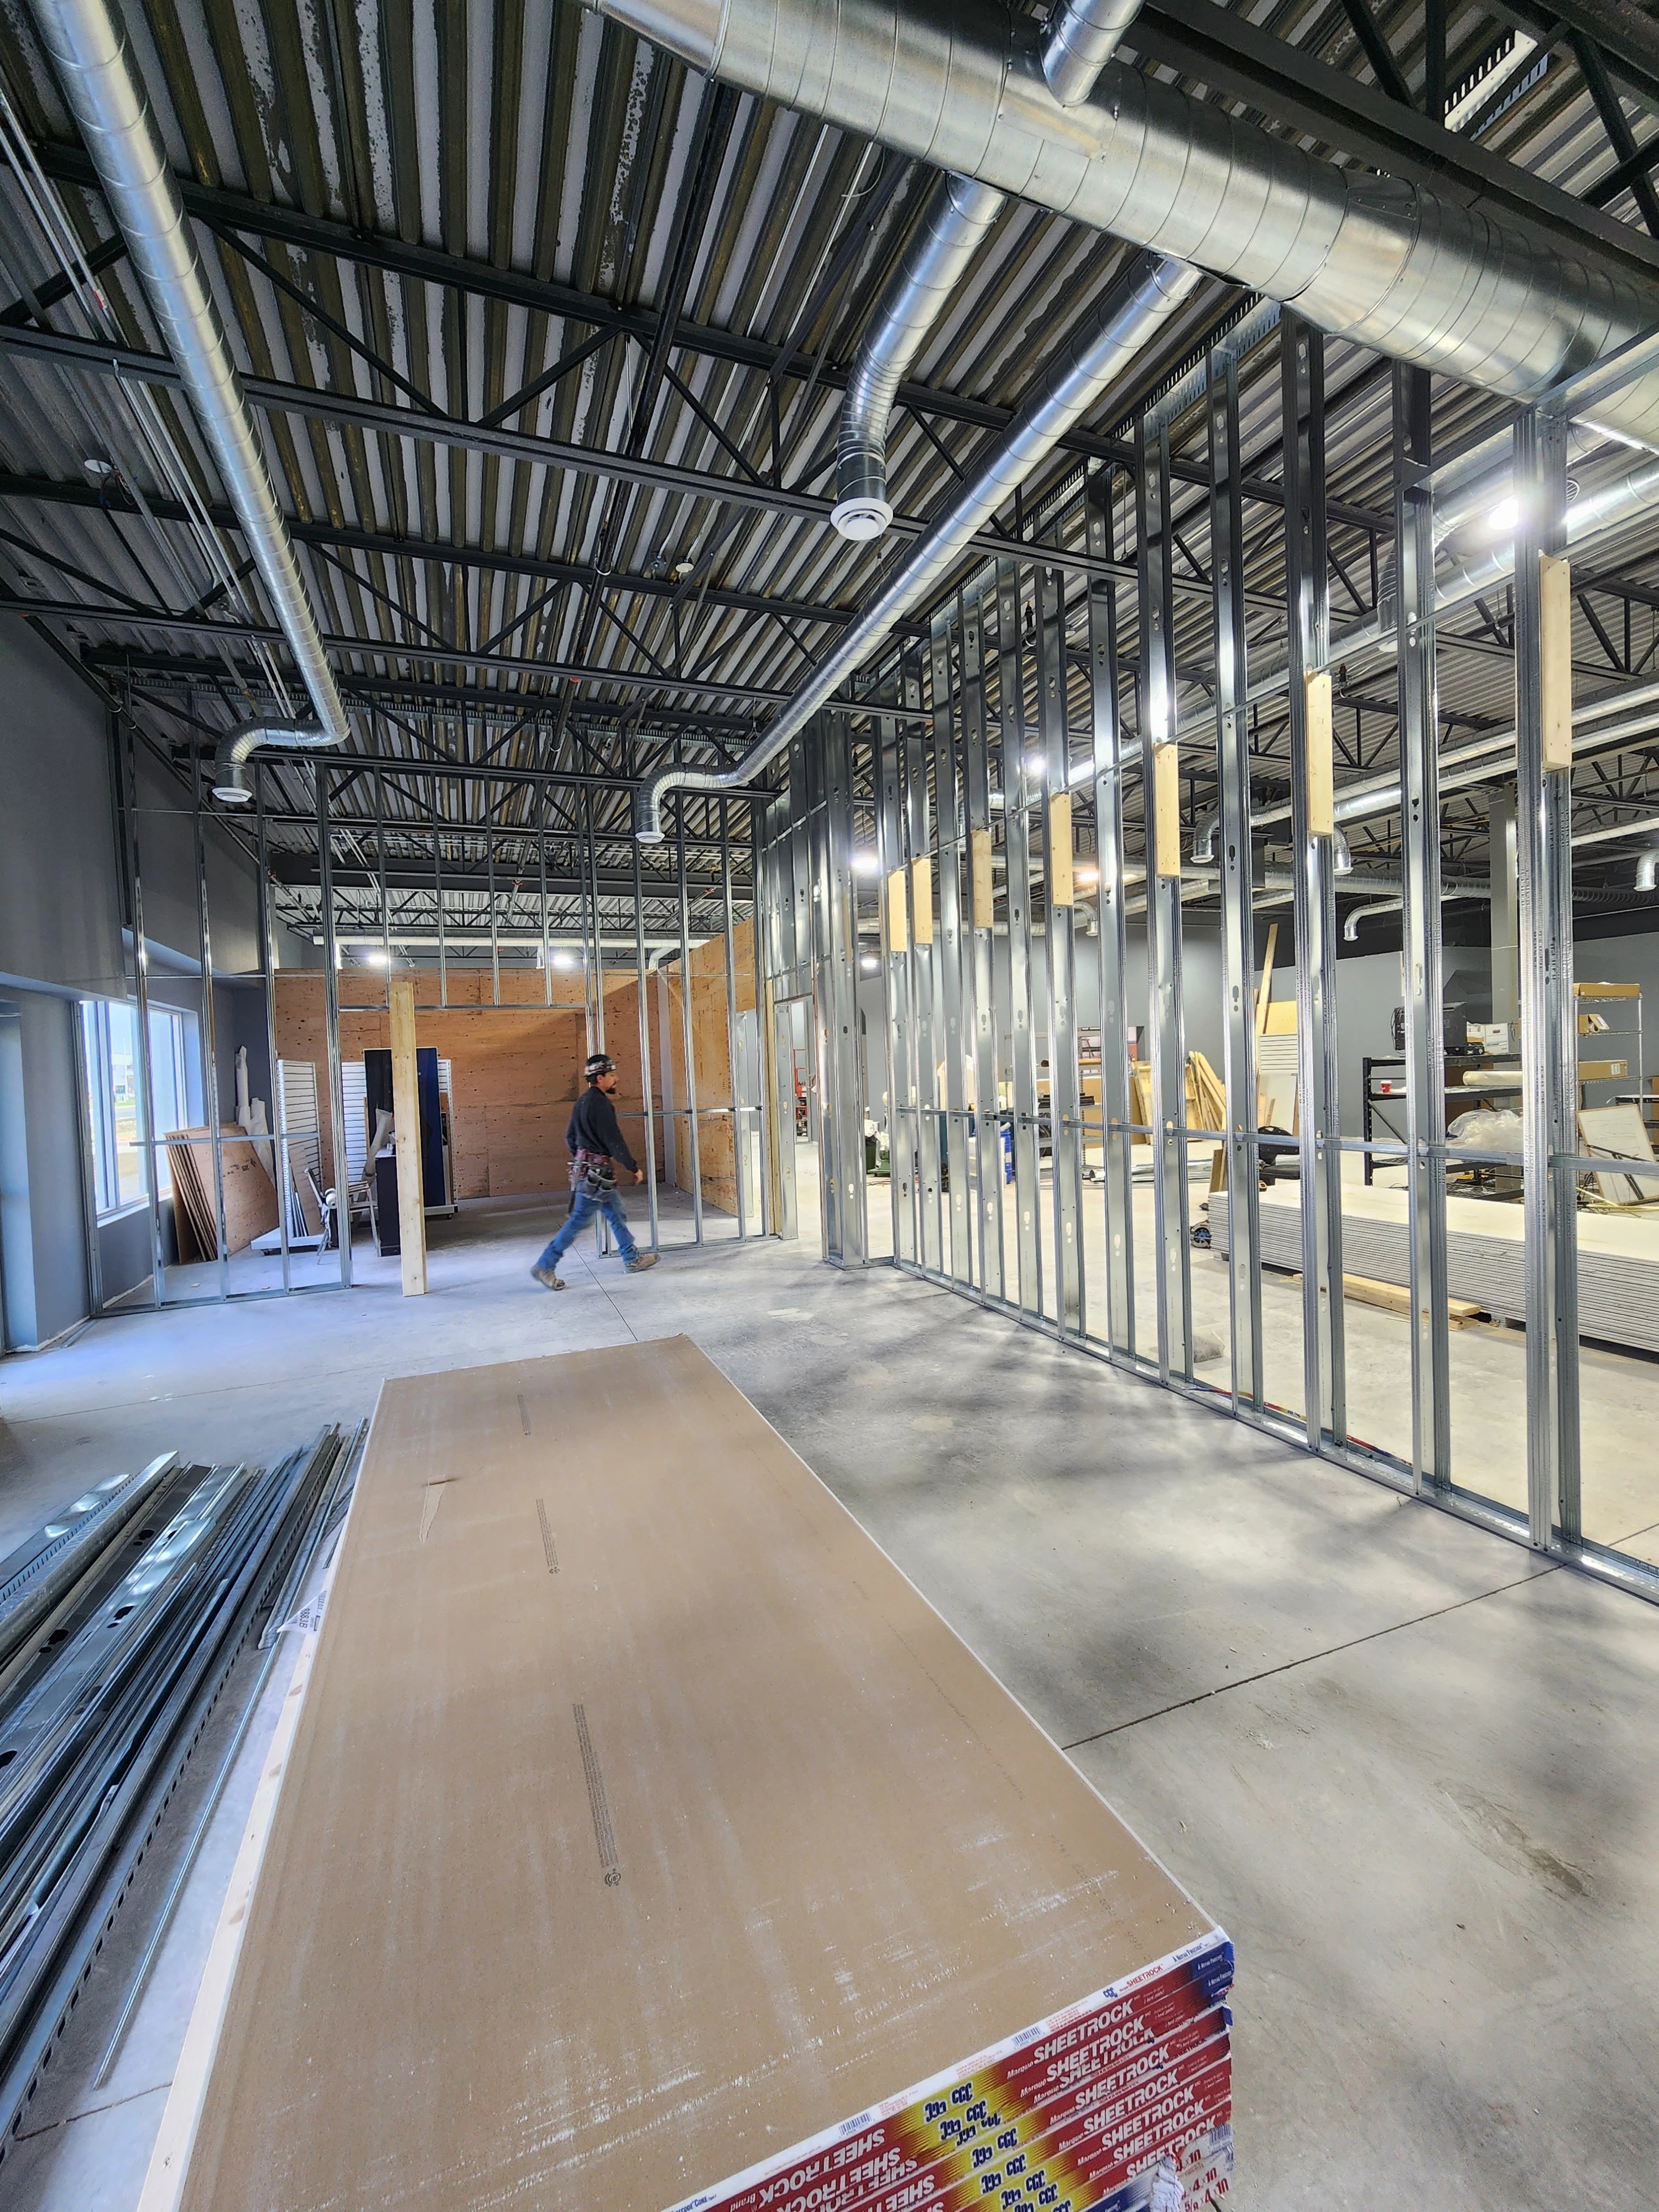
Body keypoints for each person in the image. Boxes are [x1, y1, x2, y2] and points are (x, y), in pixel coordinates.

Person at [530, 1053, 659, 1290]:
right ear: (600, 1078)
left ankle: (631, 1258)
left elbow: (570, 1137)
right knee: (580, 1220)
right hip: (597, 1177)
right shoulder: (601, 1105)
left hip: (590, 1173)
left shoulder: (582, 1102)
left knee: (616, 1212)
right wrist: (633, 1167)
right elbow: (614, 1141)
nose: (616, 1079)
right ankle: (545, 1265)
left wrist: (583, 1157)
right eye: (612, 1075)